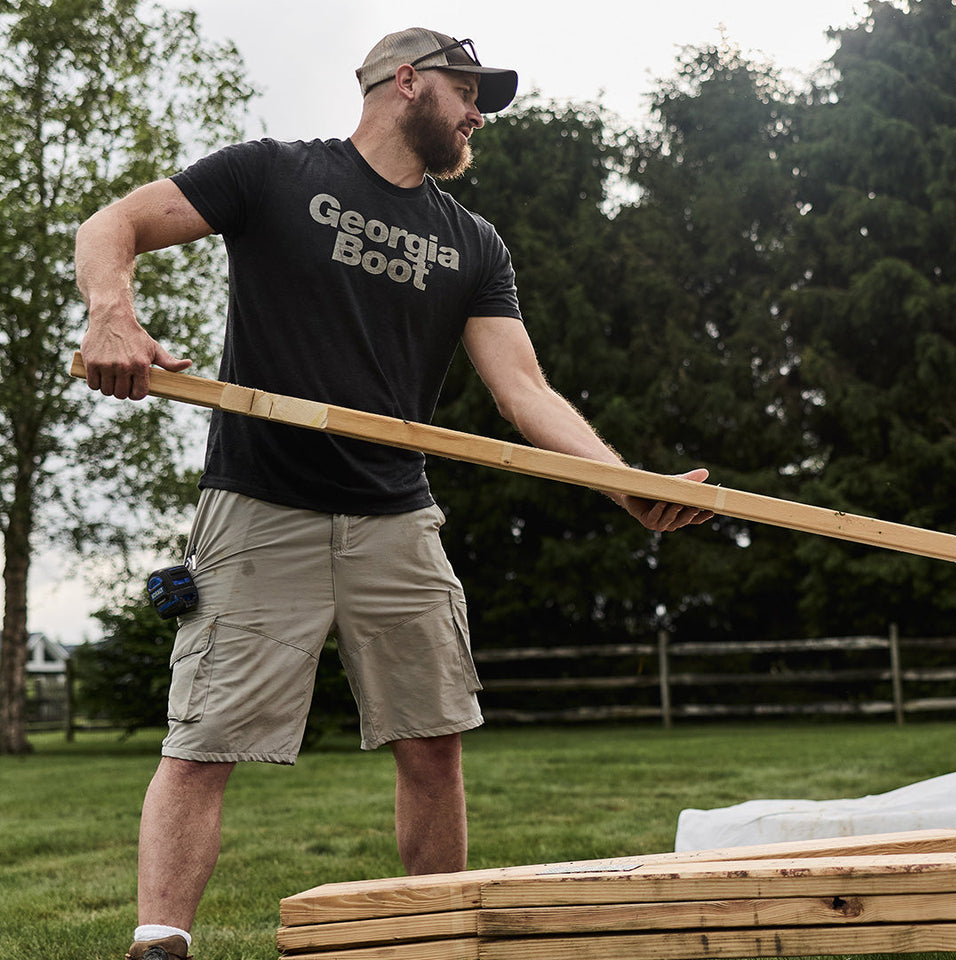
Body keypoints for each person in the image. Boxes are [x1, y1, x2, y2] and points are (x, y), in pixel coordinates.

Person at [74, 27, 713, 960]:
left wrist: (623, 486)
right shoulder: (271, 174)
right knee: (203, 737)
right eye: (467, 91)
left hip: (396, 517)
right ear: (406, 81)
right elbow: (111, 226)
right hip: (260, 503)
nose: (477, 113)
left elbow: (523, 389)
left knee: (433, 736)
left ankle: (434, 941)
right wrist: (112, 315)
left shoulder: (472, 244)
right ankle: (160, 944)